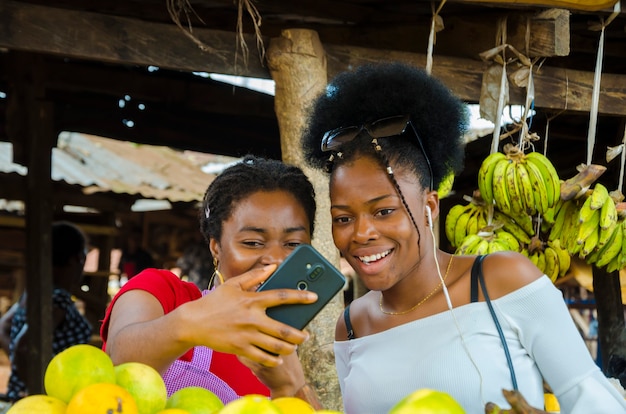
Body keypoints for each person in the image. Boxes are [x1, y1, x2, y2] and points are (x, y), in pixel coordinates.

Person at [300, 62, 626, 413]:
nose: (361, 233)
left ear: (430, 206)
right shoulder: (351, 325)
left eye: (384, 211)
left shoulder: (500, 280)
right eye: (344, 218)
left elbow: (589, 396)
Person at [100, 155, 322, 407]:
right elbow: (119, 357)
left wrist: (289, 387)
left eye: (293, 244)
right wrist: (193, 324)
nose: (275, 260)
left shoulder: (294, 347)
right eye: (252, 243)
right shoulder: (164, 293)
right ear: (216, 247)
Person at [0, 221, 93, 401]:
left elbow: (3, 328)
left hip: (23, 397)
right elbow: (25, 347)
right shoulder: (56, 300)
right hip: (42, 402)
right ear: (77, 259)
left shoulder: (35, 294)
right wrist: (42, 389)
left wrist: (20, 369)